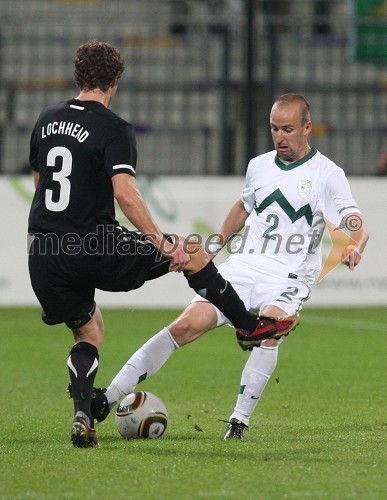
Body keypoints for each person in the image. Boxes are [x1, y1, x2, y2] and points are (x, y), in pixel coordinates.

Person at [27, 41, 295, 448]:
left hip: (43, 252)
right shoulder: (113, 128)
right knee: (190, 251)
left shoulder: (47, 119)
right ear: (116, 80)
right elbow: (126, 193)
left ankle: (84, 414)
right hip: (93, 245)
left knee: (88, 332)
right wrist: (159, 240)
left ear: (78, 75)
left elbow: (40, 182)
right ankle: (248, 325)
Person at [86, 93, 369, 439]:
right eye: (274, 129)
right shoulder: (259, 166)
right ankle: (108, 397)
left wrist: (355, 242)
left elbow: (353, 218)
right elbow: (243, 205)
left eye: (288, 129)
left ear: (307, 128)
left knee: (268, 332)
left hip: (289, 276)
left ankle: (238, 421)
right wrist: (217, 243)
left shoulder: (327, 174)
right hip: (243, 266)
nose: (280, 136)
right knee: (184, 327)